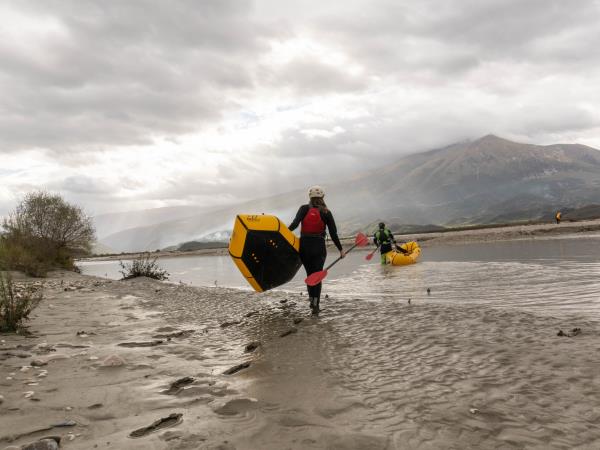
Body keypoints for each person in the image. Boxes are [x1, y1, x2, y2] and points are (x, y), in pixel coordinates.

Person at [289, 186, 345, 314]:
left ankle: (311, 301)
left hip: (304, 247)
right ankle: (316, 305)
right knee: (317, 276)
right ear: (322, 197)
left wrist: (282, 233)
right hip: (318, 247)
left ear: (310, 197)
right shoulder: (326, 212)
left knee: (310, 275)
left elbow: (294, 224)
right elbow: (333, 233)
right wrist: (341, 250)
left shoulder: (303, 209)